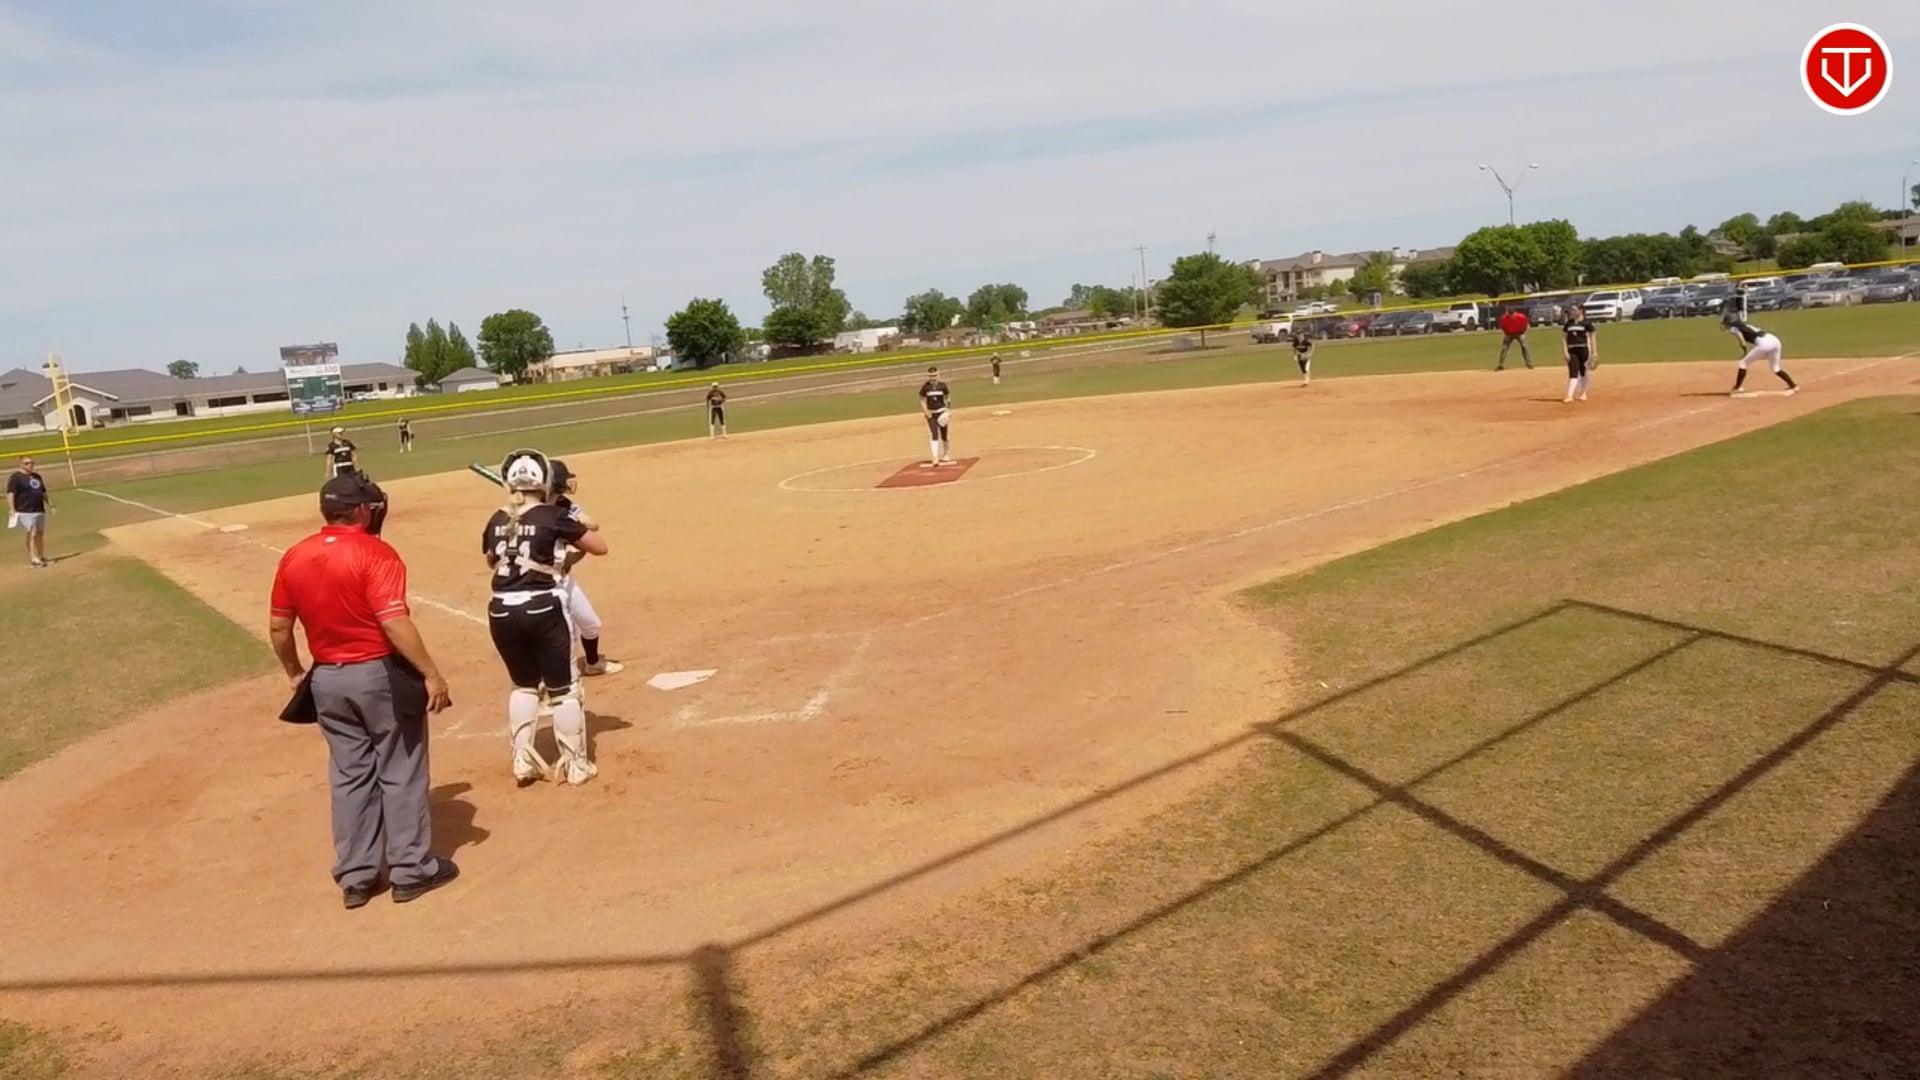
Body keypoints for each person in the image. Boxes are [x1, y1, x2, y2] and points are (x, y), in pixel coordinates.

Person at [268, 472, 457, 909]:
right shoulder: (376, 553)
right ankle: (411, 871)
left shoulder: (295, 555)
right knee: (401, 770)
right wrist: (431, 674)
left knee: (350, 775)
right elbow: (393, 622)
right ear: (359, 510)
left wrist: (295, 671)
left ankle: (357, 877)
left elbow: (279, 627)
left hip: (327, 680)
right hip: (378, 676)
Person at [483, 448, 609, 787]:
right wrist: (566, 538)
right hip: (543, 606)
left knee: (523, 686)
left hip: (501, 610)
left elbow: (491, 559)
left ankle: (523, 761)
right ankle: (575, 764)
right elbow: (599, 546)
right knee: (564, 690)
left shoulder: (496, 518)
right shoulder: (553, 516)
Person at [548, 459, 616, 678]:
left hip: (563, 578)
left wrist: (571, 518)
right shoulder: (534, 514)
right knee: (556, 636)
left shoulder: (562, 505)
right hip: (544, 584)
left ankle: (593, 663)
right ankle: (543, 683)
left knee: (591, 624)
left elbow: (593, 524)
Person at [1723, 310, 1798, 397]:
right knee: (1776, 368)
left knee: (1742, 363)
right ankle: (1793, 386)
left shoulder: (1734, 328)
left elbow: (1742, 340)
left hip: (1764, 343)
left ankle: (1737, 387)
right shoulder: (1745, 325)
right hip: (1774, 339)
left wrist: (1744, 350)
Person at [6, 456, 51, 569]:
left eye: (31, 463)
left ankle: (41, 556)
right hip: (25, 510)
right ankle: (33, 558)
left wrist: (50, 504)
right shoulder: (16, 477)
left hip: (39, 509)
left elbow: (43, 492)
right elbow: (10, 493)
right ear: (20, 465)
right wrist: (12, 508)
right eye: (26, 463)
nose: (30, 465)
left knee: (40, 533)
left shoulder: (37, 476)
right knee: (32, 533)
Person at [1560, 305, 1597, 403]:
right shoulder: (1569, 323)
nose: (1572, 312)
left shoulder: (1587, 323)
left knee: (1583, 371)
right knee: (1573, 371)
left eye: (1574, 310)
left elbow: (1592, 337)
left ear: (1580, 311)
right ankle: (1569, 395)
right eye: (1572, 310)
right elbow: (1564, 338)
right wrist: (1565, 352)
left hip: (1584, 349)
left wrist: (1594, 352)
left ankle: (1583, 393)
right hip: (1572, 350)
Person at [918, 366, 953, 466]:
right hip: (931, 413)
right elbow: (922, 399)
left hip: (942, 412)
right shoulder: (926, 387)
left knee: (944, 434)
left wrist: (948, 410)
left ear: (938, 375)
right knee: (934, 434)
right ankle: (935, 457)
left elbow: (948, 397)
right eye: (931, 376)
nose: (933, 378)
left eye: (934, 375)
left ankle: (946, 454)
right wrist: (925, 411)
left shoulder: (943, 386)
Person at [1496, 306, 1534, 370]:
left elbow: (1525, 325)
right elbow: (1503, 326)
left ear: (1515, 313)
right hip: (1509, 333)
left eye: (1512, 314)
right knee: (1504, 347)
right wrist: (1506, 333)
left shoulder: (1521, 317)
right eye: (1509, 314)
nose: (1511, 316)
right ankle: (1500, 365)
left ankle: (1529, 364)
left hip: (1519, 333)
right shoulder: (1504, 318)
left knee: (1524, 346)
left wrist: (1522, 331)